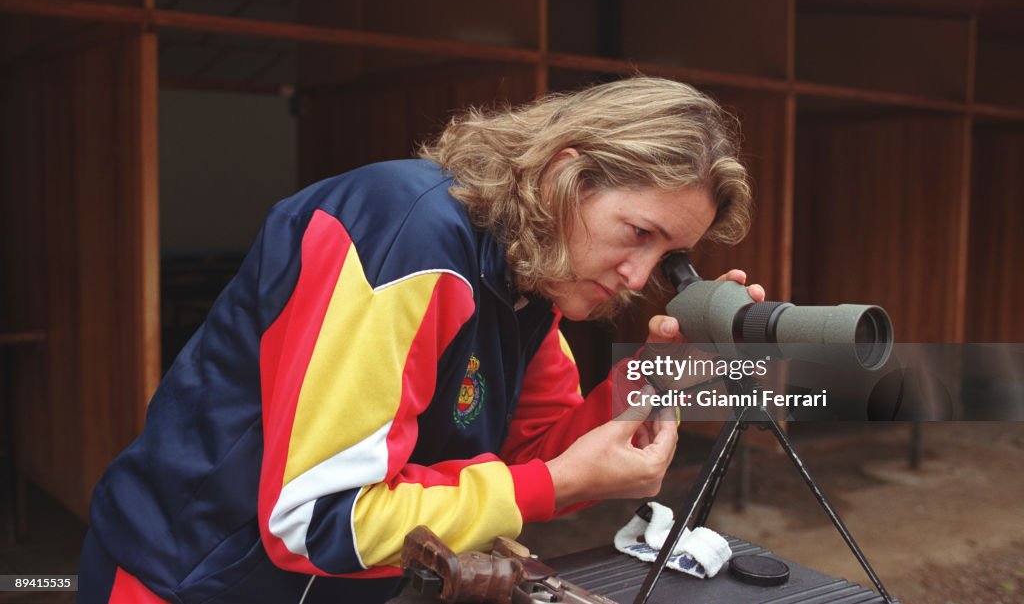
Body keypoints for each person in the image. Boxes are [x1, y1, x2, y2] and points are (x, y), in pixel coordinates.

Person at [78, 76, 763, 604]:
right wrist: (555, 482)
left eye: (671, 257)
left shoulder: (529, 283)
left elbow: (539, 453)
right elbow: (316, 519)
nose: (641, 276)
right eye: (638, 232)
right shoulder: (406, 237)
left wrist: (659, 372)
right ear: (565, 173)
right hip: (182, 582)